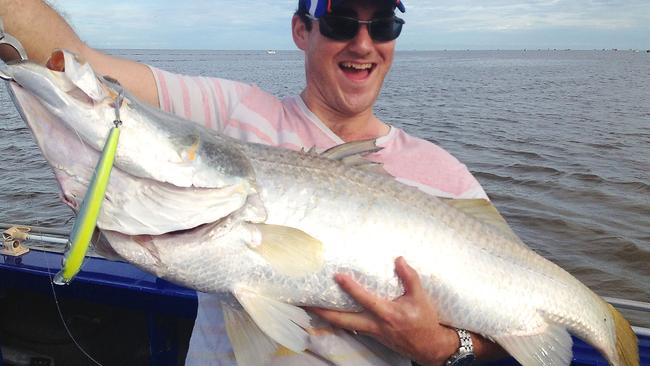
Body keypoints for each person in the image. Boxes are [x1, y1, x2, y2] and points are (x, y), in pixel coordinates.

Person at [1, 0, 506, 365]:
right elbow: (71, 63)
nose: (362, 42)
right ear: (300, 30)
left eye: (383, 24)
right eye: (339, 21)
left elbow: (517, 331)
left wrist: (446, 347)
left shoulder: (445, 175)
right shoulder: (229, 113)